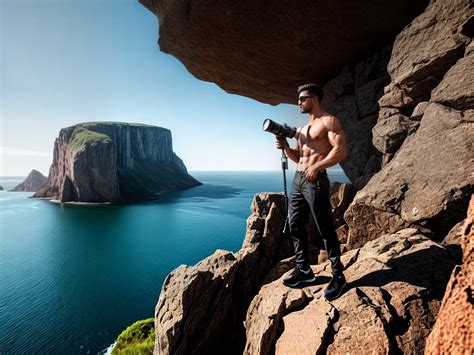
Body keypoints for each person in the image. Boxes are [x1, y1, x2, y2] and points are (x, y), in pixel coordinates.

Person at [276, 83, 348, 301]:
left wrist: (318, 167)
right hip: (298, 179)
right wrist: (286, 148)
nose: (298, 102)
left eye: (303, 98)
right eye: (298, 99)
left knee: (324, 227)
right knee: (295, 224)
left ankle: (338, 275)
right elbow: (299, 158)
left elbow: (341, 150)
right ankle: (304, 270)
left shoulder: (329, 121)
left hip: (315, 181)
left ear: (315, 99)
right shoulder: (300, 130)